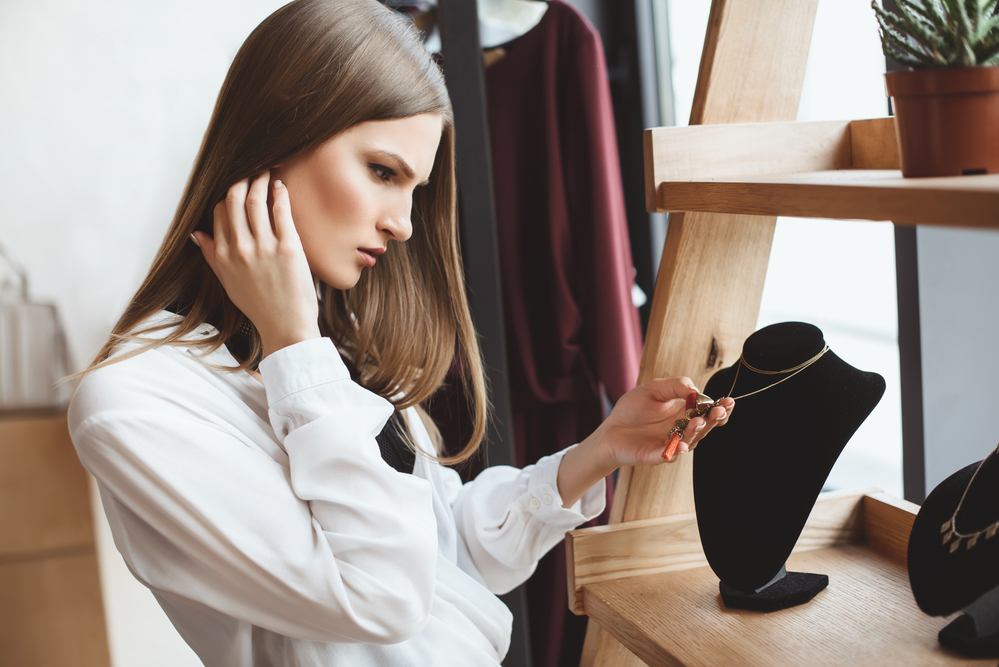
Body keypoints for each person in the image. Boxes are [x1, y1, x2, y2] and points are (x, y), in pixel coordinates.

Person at [68, 1, 734, 665]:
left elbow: (448, 555)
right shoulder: (135, 405)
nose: (403, 224)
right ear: (272, 137)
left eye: (413, 187)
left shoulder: (337, 347)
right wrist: (295, 348)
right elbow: (386, 595)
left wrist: (595, 451)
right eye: (383, 172)